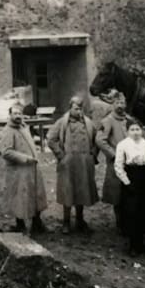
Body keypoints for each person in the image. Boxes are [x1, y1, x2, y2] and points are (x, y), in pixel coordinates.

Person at [47, 95, 98, 234]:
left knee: (82, 191)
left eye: (81, 108)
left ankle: (80, 221)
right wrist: (60, 155)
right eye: (76, 108)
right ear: (70, 108)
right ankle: (66, 222)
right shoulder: (62, 122)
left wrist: (93, 154)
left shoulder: (88, 123)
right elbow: (50, 139)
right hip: (68, 163)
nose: (79, 111)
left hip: (84, 163)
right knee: (67, 191)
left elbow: (97, 139)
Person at [0, 103, 48, 234]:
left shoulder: (24, 127)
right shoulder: (8, 131)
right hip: (18, 171)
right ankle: (19, 225)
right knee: (18, 198)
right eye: (14, 113)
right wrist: (25, 158)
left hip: (32, 168)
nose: (17, 116)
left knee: (36, 195)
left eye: (19, 113)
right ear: (10, 115)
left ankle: (37, 223)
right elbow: (6, 152)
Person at [114, 120, 145, 256]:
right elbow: (118, 166)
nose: (135, 132)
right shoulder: (123, 145)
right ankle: (132, 245)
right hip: (131, 178)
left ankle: (141, 242)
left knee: (144, 210)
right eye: (132, 129)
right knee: (132, 211)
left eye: (137, 129)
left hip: (144, 178)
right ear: (127, 131)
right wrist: (127, 182)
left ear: (142, 130)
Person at [96, 90, 130, 233]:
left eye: (122, 102)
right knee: (117, 194)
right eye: (117, 102)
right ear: (112, 104)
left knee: (129, 192)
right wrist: (114, 155)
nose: (120, 105)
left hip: (131, 162)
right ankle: (120, 224)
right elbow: (100, 140)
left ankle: (129, 221)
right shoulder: (107, 121)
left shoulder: (129, 120)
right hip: (116, 163)